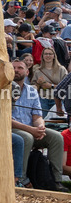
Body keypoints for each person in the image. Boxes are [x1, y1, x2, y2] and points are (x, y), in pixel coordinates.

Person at [11, 59, 67, 190]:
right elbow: (5, 120)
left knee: (57, 137)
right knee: (27, 137)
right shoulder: (3, 89)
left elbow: (37, 116)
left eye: (20, 68)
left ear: (27, 71)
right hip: (12, 130)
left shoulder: (32, 91)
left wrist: (40, 126)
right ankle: (22, 179)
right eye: (13, 68)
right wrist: (31, 130)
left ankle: (56, 180)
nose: (16, 70)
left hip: (30, 128)